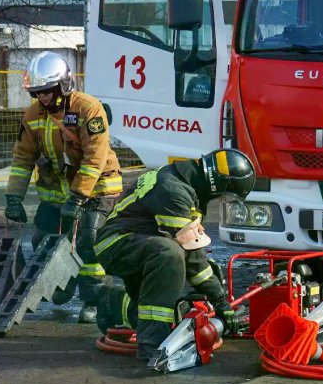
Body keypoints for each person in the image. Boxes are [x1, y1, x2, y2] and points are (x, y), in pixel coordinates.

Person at [93, 149, 256, 361]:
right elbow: (192, 258)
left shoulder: (188, 182)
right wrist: (221, 302)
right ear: (219, 184)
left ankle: (113, 302)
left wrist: (215, 296)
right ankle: (152, 346)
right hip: (115, 242)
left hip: (137, 242)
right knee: (171, 255)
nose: (222, 199)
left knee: (160, 294)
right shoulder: (175, 190)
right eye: (226, 195)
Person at [4, 51, 122, 323]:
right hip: (57, 195)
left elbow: (95, 158)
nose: (43, 97)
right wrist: (13, 198)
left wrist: (78, 197)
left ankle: (94, 301)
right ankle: (62, 284)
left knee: (88, 243)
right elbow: (23, 158)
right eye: (37, 92)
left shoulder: (88, 109)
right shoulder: (33, 114)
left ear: (63, 84)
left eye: (47, 91)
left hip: (97, 191)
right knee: (41, 240)